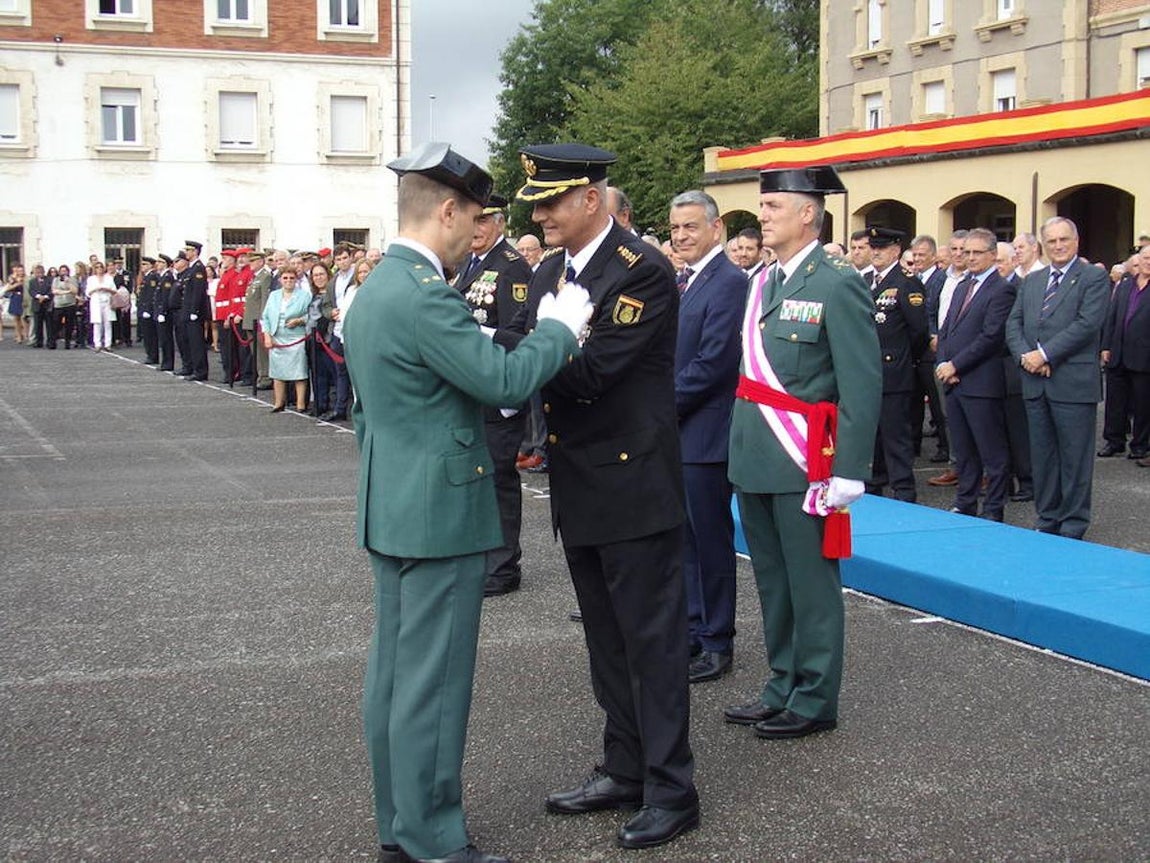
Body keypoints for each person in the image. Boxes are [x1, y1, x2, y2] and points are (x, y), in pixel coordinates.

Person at [342, 142, 590, 863]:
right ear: (447, 211)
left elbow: (373, 411)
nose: (476, 231)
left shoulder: (377, 288)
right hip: (439, 515)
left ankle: (399, 823)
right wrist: (559, 328)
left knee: (394, 678)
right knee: (434, 686)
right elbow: (505, 380)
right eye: (473, 216)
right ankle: (434, 839)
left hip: (391, 502)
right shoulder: (423, 293)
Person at [512, 143, 699, 850]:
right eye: (537, 201)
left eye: (553, 200)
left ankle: (674, 788)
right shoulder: (557, 269)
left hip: (632, 482)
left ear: (590, 198)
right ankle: (625, 767)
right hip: (582, 480)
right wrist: (524, 344)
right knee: (606, 640)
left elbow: (591, 372)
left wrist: (515, 354)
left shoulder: (640, 270)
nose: (541, 213)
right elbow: (551, 348)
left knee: (650, 642)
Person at [724, 165, 881, 741]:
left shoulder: (836, 282)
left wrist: (850, 471)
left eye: (772, 206)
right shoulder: (761, 281)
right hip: (755, 453)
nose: (761, 215)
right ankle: (781, 683)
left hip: (804, 460)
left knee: (811, 584)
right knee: (772, 580)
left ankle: (815, 697)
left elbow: (862, 383)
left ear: (808, 213)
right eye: (762, 206)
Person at [667, 190, 745, 684]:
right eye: (675, 229)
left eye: (691, 227)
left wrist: (658, 407)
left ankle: (718, 639)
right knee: (685, 540)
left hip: (707, 433)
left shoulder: (729, 282)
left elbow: (714, 364)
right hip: (680, 432)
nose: (681, 237)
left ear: (716, 229)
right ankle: (695, 629)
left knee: (711, 543)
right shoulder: (688, 280)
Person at [1005, 216, 1108, 539]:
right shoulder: (1033, 281)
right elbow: (1014, 323)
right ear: (1043, 245)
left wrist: (1045, 355)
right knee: (1043, 456)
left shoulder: (1093, 277)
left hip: (1072, 384)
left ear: (1076, 242)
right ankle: (1047, 517)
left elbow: (1087, 324)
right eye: (1052, 241)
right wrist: (1027, 357)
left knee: (1074, 458)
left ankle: (1073, 523)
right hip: (1035, 382)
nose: (1058, 246)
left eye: (1064, 240)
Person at [451, 193, 533, 597]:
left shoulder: (511, 267)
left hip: (498, 391)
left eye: (484, 220)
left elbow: (515, 336)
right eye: (472, 219)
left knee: (499, 477)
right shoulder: (471, 263)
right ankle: (484, 557)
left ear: (499, 223)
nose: (476, 228)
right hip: (474, 388)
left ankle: (503, 566)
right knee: (480, 477)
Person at [935, 228, 1016, 522]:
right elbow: (947, 330)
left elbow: (991, 336)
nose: (969, 258)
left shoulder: (1001, 289)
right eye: (966, 252)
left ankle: (993, 509)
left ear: (993, 255)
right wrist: (943, 363)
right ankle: (965, 502)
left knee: (991, 452)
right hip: (954, 382)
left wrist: (956, 365)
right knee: (965, 451)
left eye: (977, 252)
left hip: (981, 383)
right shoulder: (961, 286)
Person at [866, 227, 928, 503]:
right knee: (873, 436)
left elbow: (918, 332)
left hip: (894, 372)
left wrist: (902, 360)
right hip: (869, 373)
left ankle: (903, 490)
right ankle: (875, 484)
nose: (875, 252)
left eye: (882, 247)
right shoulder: (867, 281)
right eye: (873, 246)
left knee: (896, 437)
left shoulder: (906, 282)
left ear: (896, 250)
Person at [1100, 244, 1150, 462]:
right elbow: (1111, 317)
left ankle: (1140, 445)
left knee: (1142, 404)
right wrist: (1105, 346)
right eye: (1145, 258)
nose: (1147, 262)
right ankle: (1114, 441)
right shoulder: (1125, 284)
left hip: (1144, 356)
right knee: (1115, 401)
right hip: (1117, 352)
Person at [260, 267, 311, 412]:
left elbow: (311, 315)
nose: (288, 281)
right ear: (280, 280)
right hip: (278, 336)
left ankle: (301, 404)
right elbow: (266, 317)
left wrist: (300, 320)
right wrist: (267, 336)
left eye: (291, 278)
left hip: (296, 337)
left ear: (296, 279)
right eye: (285, 278)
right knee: (277, 372)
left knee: (299, 371)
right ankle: (278, 402)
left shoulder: (304, 295)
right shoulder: (274, 295)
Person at [243, 249, 274, 390]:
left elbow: (264, 300)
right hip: (250, 318)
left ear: (261, 262)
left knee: (261, 352)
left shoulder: (265, 276)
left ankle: (266, 377)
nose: (250, 263)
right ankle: (261, 375)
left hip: (258, 319)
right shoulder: (255, 277)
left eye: (253, 260)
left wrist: (263, 319)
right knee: (255, 351)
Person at [85, 261, 117, 351]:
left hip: (106, 301)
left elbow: (114, 291)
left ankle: (108, 344)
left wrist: (106, 289)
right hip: (96, 302)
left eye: (101, 267)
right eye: (97, 267)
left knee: (108, 323)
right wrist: (95, 289)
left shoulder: (109, 278)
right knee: (97, 323)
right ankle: (97, 344)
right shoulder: (91, 279)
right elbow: (87, 293)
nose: (99, 269)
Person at [50, 265, 78, 349]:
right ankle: (53, 342)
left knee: (69, 325)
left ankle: (67, 342)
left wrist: (68, 283)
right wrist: (67, 292)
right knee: (56, 324)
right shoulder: (56, 280)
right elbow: (54, 291)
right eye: (62, 271)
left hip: (70, 304)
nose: (63, 273)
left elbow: (75, 291)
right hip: (58, 305)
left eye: (65, 271)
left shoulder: (72, 279)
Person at [28, 265, 53, 348]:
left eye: (41, 272)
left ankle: (50, 342)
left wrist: (45, 297)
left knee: (49, 325)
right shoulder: (32, 281)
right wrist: (38, 296)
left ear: (44, 272)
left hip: (47, 304)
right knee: (38, 325)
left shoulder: (50, 280)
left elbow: (51, 290)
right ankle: (39, 342)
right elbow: (31, 291)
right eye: (37, 273)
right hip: (37, 305)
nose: (39, 274)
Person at [3, 264, 27, 344]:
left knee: (24, 318)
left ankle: (26, 334)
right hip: (15, 297)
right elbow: (8, 288)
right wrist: (17, 284)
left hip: (24, 297)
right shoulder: (12, 278)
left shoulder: (26, 278)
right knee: (16, 318)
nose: (20, 272)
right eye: (19, 270)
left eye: (21, 270)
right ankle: (19, 336)